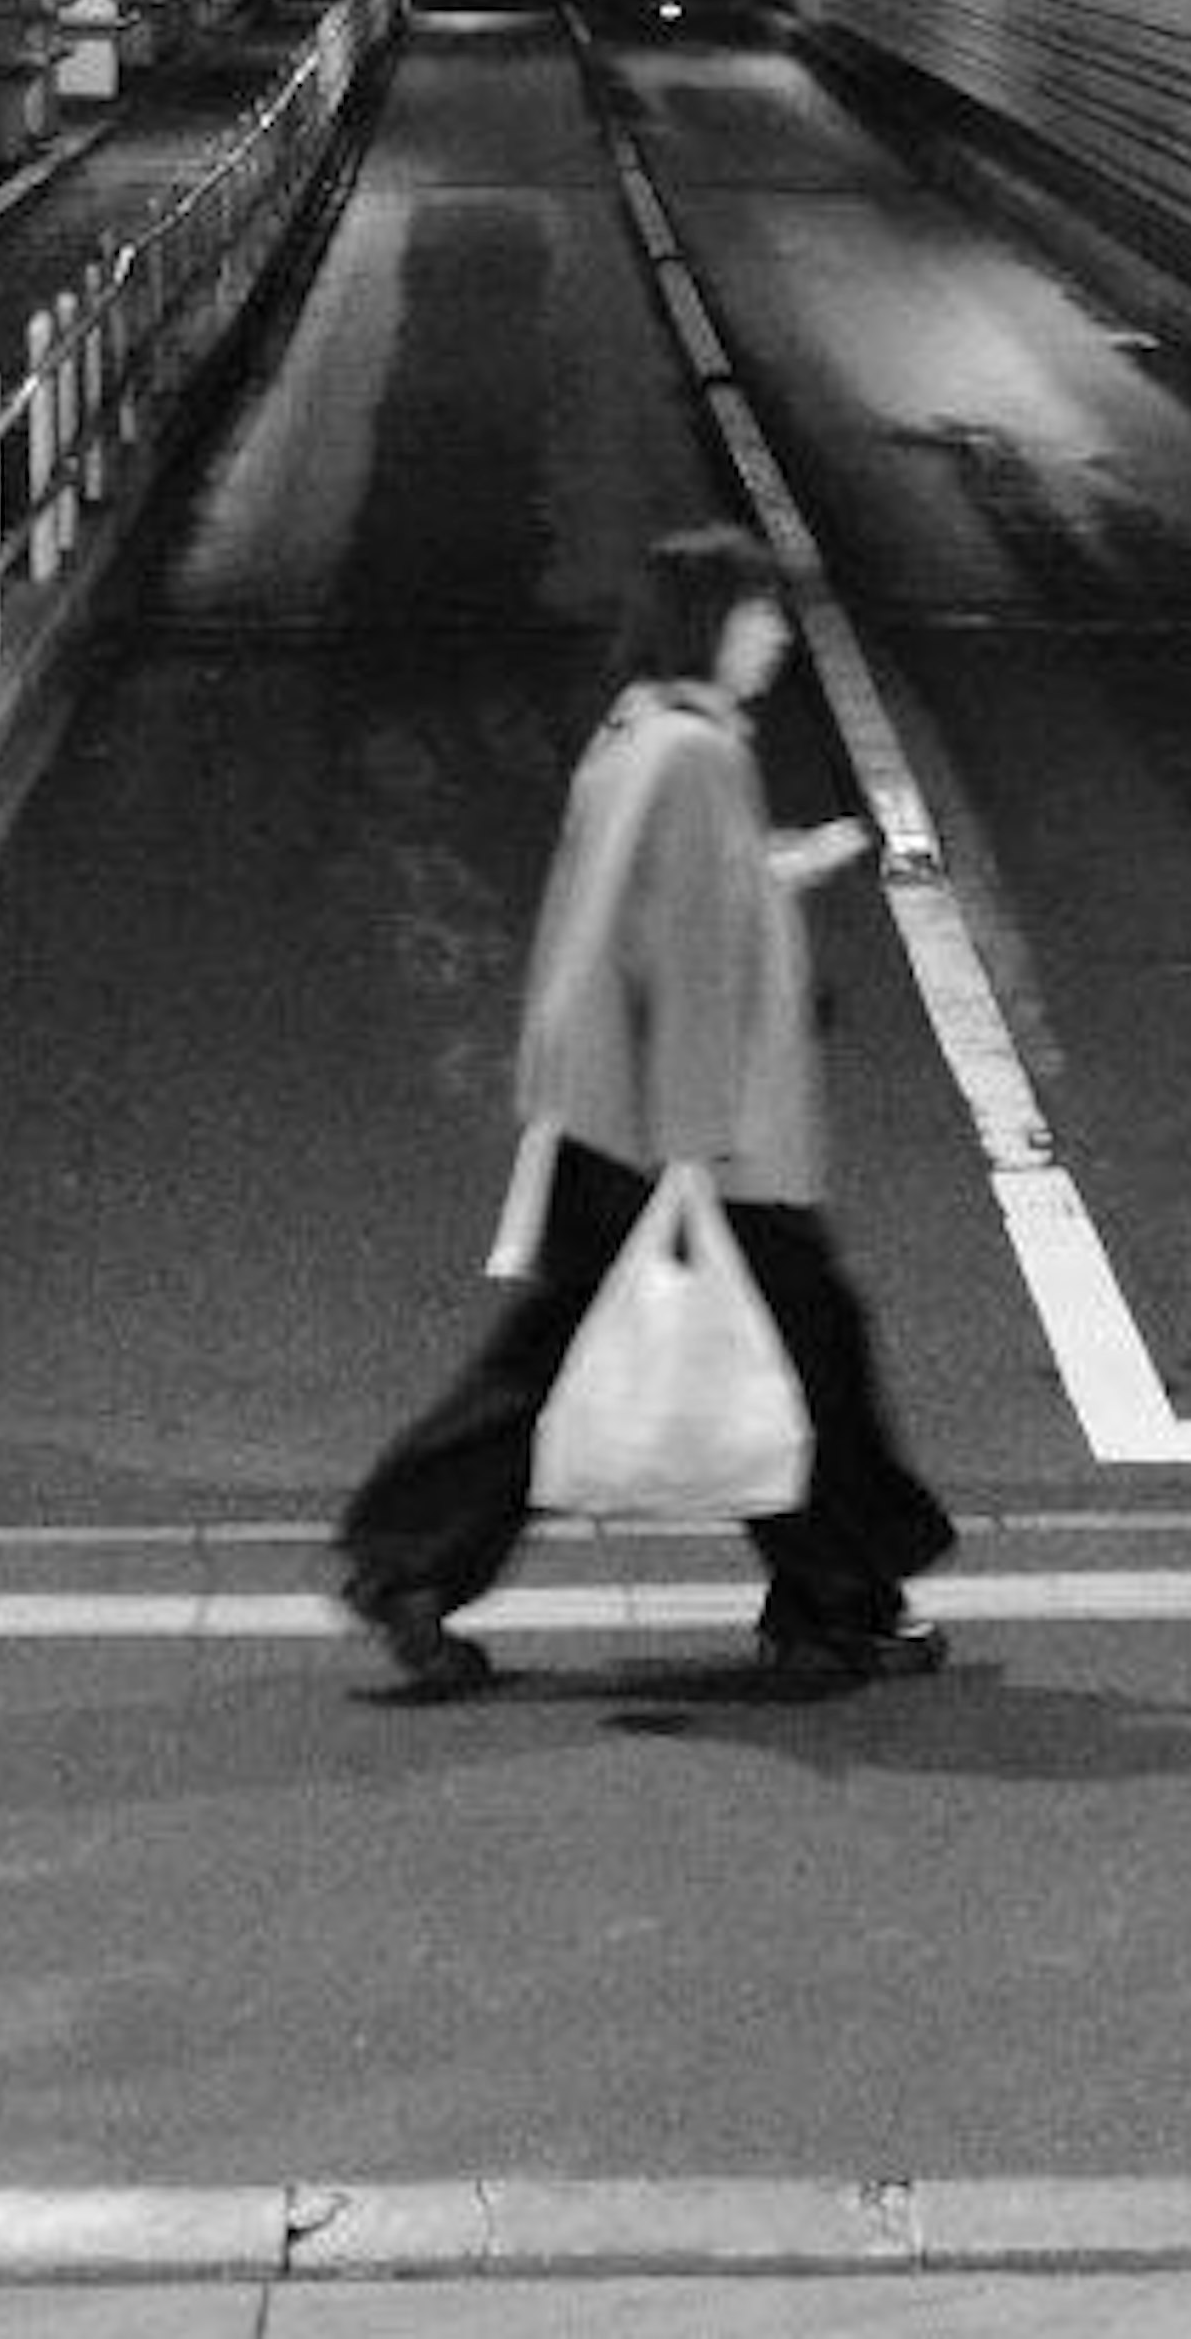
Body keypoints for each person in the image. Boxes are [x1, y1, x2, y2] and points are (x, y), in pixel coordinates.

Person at [337, 519, 957, 1701]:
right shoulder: (693, 757)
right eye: (761, 615)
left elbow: (670, 892)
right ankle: (840, 1605)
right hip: (689, 1137)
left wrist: (782, 865)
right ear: (711, 623)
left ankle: (408, 1565)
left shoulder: (640, 734)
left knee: (555, 1363)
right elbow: (679, 949)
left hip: (609, 1117)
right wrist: (694, 1149)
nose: (777, 636)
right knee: (811, 1357)